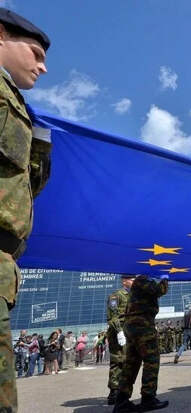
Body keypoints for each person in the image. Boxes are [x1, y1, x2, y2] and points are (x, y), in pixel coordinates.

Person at [0, 8, 50, 409]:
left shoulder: (14, 101)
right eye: (36, 53)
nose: (43, 67)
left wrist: (40, 149)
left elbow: (24, 187)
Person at [113, 275, 169, 413]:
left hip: (134, 326)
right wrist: (165, 279)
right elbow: (159, 290)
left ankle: (121, 401)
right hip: (142, 326)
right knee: (151, 361)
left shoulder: (140, 282)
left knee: (131, 364)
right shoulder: (142, 280)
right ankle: (148, 399)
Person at [106, 274, 134, 404]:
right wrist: (119, 331)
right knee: (118, 361)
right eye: (132, 280)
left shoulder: (133, 295)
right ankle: (114, 392)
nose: (134, 282)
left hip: (129, 332)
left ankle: (122, 392)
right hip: (118, 333)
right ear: (124, 281)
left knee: (127, 361)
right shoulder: (116, 296)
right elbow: (113, 316)